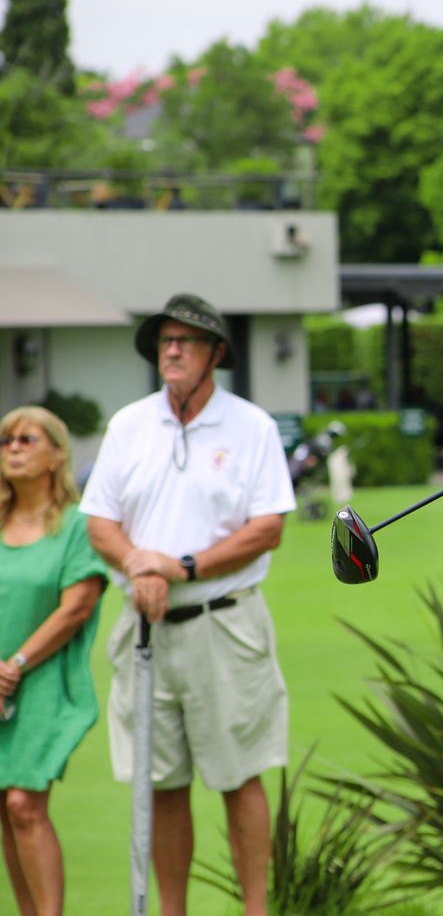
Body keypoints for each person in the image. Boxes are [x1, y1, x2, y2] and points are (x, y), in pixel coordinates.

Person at [81, 293, 295, 916]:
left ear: (216, 354)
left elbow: (267, 527)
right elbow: (101, 523)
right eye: (164, 341)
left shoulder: (250, 426)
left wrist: (180, 567)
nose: (171, 350)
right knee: (161, 783)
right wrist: (137, 565)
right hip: (145, 626)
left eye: (187, 340)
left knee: (239, 776)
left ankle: (256, 910)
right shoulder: (129, 425)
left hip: (223, 624)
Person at [0, 406, 109, 916]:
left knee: (25, 803)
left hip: (42, 680)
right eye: (6, 441)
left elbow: (77, 607)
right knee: (5, 809)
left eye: (27, 439)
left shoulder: (76, 527)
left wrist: (16, 664)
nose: (14, 448)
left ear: (56, 455)